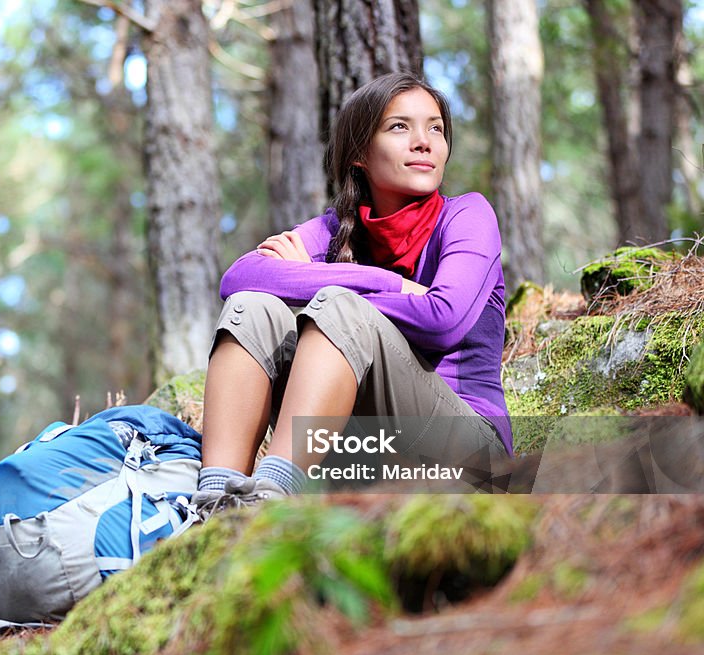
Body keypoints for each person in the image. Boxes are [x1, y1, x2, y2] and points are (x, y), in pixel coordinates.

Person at [191, 71, 513, 513]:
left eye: (435, 127)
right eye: (400, 127)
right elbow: (239, 278)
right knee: (254, 308)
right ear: (360, 152)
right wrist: (388, 282)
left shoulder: (468, 215)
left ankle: (270, 500)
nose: (424, 142)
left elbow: (444, 320)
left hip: (470, 458)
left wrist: (330, 288)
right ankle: (215, 502)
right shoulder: (335, 230)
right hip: (364, 452)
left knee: (340, 309)